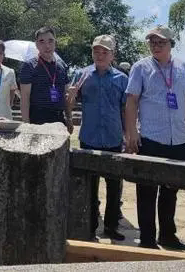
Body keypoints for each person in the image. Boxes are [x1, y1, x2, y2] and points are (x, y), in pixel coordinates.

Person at [124, 26, 185, 251]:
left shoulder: (184, 68)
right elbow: (132, 101)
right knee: (146, 191)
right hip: (150, 138)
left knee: (171, 190)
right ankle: (147, 239)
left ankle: (167, 235)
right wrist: (132, 132)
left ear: (171, 44)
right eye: (153, 43)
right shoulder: (141, 67)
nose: (156, 46)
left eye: (161, 42)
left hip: (179, 139)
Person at [67, 35, 128, 241]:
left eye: (105, 52)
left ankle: (111, 226)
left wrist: (128, 135)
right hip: (89, 138)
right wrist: (70, 97)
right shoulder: (82, 75)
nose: (100, 55)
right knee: (90, 188)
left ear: (112, 55)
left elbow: (125, 109)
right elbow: (69, 104)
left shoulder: (121, 79)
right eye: (96, 51)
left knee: (114, 187)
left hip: (113, 138)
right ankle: (90, 226)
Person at [19, 27, 73, 133]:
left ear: (55, 43)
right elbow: (24, 99)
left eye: (50, 41)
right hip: (37, 121)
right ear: (36, 45)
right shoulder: (29, 66)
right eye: (42, 41)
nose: (47, 46)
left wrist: (69, 118)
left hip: (59, 120)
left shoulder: (62, 66)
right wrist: (26, 126)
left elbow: (65, 95)